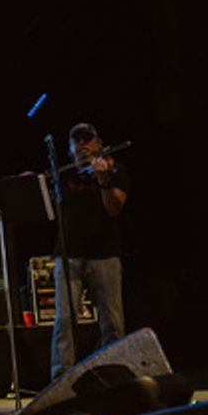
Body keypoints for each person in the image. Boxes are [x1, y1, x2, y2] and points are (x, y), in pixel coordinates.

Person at [49, 122, 129, 379]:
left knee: (112, 323)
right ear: (70, 148)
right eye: (77, 141)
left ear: (98, 144)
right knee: (64, 322)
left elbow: (114, 208)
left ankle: (112, 377)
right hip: (68, 255)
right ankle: (61, 379)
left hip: (104, 255)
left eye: (87, 140)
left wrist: (104, 180)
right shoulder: (64, 174)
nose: (82, 144)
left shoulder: (114, 168)